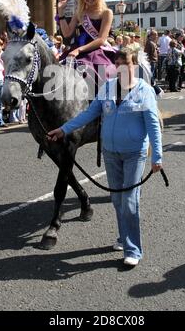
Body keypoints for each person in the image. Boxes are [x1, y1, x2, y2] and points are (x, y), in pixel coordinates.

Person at [47, 47, 163, 267]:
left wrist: (157, 155)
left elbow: (153, 125)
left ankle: (133, 249)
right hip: (111, 152)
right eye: (117, 63)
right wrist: (63, 129)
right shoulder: (108, 88)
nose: (121, 67)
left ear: (134, 65)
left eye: (125, 63)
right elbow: (89, 114)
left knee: (129, 201)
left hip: (133, 153)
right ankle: (123, 237)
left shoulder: (144, 90)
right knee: (117, 199)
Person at [57, 0, 116, 84]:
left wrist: (79, 50)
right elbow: (67, 33)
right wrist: (61, 12)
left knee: (102, 76)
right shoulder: (80, 13)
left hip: (97, 51)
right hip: (77, 50)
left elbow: (101, 39)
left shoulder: (106, 13)